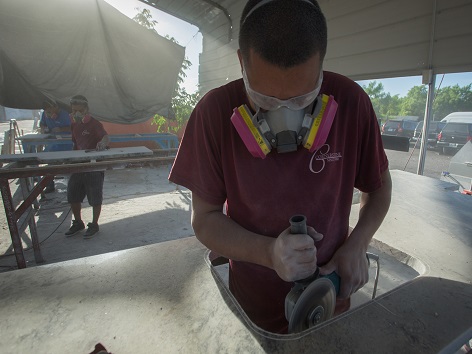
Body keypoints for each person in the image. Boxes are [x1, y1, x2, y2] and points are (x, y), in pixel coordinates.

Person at [169, 0, 392, 334]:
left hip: (331, 302)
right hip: (252, 311)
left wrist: (357, 244)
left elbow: (379, 189)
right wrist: (269, 253)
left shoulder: (351, 102)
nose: (285, 117)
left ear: (322, 64)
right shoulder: (213, 114)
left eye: (303, 100)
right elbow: (204, 220)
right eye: (267, 101)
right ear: (242, 61)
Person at [65, 95, 110, 239]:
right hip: (78, 164)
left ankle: (94, 224)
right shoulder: (74, 124)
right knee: (73, 195)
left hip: (93, 165)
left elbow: (106, 137)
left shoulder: (94, 124)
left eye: (79, 110)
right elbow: (75, 143)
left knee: (95, 196)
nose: (76, 113)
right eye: (74, 110)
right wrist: (71, 160)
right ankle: (78, 222)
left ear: (86, 110)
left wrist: (102, 143)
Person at [39, 99, 72, 193]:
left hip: (67, 144)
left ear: (55, 107)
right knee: (50, 165)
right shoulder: (45, 114)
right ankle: (49, 185)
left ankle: (74, 186)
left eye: (50, 110)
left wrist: (61, 129)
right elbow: (42, 123)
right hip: (53, 144)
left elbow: (73, 126)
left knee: (70, 166)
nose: (48, 112)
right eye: (46, 110)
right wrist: (43, 128)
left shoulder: (65, 114)